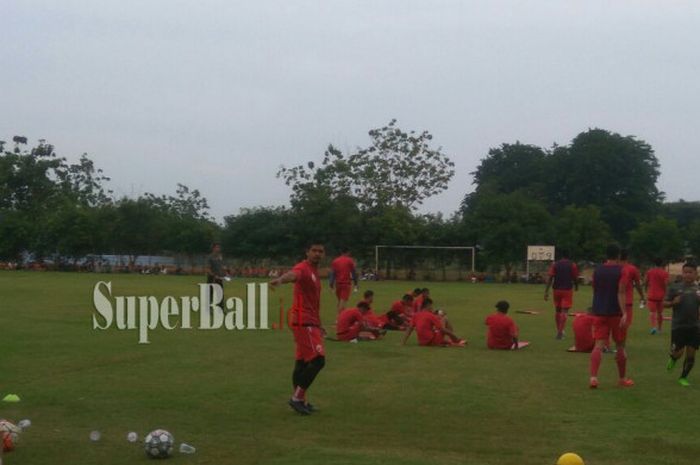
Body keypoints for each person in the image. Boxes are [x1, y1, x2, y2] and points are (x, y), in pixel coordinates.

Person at [270, 241, 326, 415]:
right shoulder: (303, 268)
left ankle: (301, 400)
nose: (317, 254)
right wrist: (280, 279)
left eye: (320, 251)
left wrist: (320, 324)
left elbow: (314, 301)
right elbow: (293, 275)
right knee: (318, 360)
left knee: (302, 363)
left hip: (310, 321)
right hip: (303, 321)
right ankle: (296, 398)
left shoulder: (315, 272)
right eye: (314, 250)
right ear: (307, 252)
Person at [588, 244, 633, 389]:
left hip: (599, 311)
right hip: (615, 313)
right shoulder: (622, 270)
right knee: (620, 345)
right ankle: (622, 379)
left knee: (598, 345)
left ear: (606, 255)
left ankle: (593, 377)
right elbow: (620, 292)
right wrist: (624, 312)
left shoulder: (598, 270)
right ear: (619, 256)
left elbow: (595, 289)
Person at [664, 262, 700, 387]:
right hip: (678, 326)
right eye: (685, 272)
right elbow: (664, 303)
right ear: (682, 273)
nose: (687, 275)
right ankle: (673, 358)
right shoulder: (675, 288)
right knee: (678, 352)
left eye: (690, 272)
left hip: (694, 326)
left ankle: (683, 377)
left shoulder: (698, 289)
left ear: (696, 274)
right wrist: (673, 302)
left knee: (691, 353)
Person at [544, 250, 579, 339]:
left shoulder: (555, 264)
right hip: (567, 289)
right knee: (564, 311)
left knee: (558, 310)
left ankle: (559, 330)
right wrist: (576, 286)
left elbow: (551, 277)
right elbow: (575, 277)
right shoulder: (572, 265)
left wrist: (546, 291)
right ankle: (560, 332)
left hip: (556, 290)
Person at [329, 247, 358, 316]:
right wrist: (356, 283)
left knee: (340, 302)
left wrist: (331, 284)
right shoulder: (350, 260)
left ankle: (342, 317)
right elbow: (353, 272)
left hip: (338, 284)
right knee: (342, 302)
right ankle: (339, 319)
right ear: (348, 252)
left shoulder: (335, 261)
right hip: (346, 284)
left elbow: (333, 273)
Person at [620, 249, 645, 327]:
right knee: (625, 324)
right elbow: (638, 284)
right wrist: (642, 296)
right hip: (627, 300)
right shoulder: (632, 269)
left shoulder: (614, 268)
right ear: (628, 257)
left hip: (614, 300)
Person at [645, 258, 670, 334]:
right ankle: (659, 328)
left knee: (652, 312)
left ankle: (653, 327)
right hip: (661, 296)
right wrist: (666, 293)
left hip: (652, 295)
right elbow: (666, 284)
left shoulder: (649, 272)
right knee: (660, 313)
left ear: (654, 263)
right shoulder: (665, 273)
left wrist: (646, 289)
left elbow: (646, 281)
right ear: (662, 264)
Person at [206, 243, 226, 307]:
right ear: (213, 248)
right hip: (212, 278)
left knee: (220, 294)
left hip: (219, 278)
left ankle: (220, 308)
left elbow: (221, 266)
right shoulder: (210, 257)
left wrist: (224, 272)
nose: (218, 249)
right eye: (217, 247)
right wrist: (214, 275)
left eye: (219, 247)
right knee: (210, 294)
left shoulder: (220, 257)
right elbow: (208, 269)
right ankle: (208, 308)